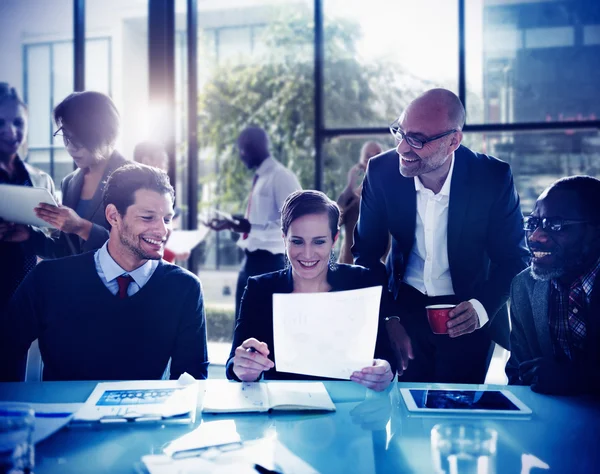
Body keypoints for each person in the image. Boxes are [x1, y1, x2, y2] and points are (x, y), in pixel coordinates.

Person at [353, 88, 529, 384]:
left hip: (468, 310)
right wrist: (388, 317)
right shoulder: (381, 172)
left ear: (453, 141)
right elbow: (366, 255)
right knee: (406, 409)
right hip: (404, 308)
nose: (402, 149)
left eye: (418, 140)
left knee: (459, 415)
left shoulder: (493, 178)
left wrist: (481, 308)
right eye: (400, 132)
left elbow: (514, 259)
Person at [0, 163, 209, 381]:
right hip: (62, 412)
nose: (162, 230)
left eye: (167, 219)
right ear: (113, 216)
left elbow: (192, 381)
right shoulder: (48, 280)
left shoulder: (184, 288)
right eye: (148, 217)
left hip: (143, 414)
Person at [226, 190, 396, 392]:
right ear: (284, 238)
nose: (307, 254)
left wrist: (386, 371)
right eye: (297, 241)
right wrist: (242, 367)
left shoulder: (362, 283)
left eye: (319, 241)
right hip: (284, 412)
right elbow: (233, 363)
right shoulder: (260, 289)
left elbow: (386, 356)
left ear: (334, 239)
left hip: (350, 410)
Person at [1, 91, 128, 258]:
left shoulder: (135, 179)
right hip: (77, 283)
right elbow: (65, 253)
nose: (71, 147)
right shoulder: (70, 182)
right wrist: (30, 236)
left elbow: (136, 248)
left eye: (80, 138)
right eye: (66, 136)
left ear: (107, 133)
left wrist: (82, 227)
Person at [507, 176, 600, 395]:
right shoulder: (524, 287)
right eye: (533, 223)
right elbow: (519, 375)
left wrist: (577, 379)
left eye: (555, 225)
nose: (536, 236)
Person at [206, 126, 301, 318]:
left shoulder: (280, 176)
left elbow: (294, 224)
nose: (241, 156)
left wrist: (249, 227)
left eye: (242, 149)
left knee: (265, 327)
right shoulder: (261, 178)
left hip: (271, 263)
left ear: (254, 146)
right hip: (251, 261)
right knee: (244, 326)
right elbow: (260, 221)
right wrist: (232, 224)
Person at [0, 83, 56, 307]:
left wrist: (31, 236)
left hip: (26, 301)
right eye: (0, 122)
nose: (11, 132)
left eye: (18, 123)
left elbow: (58, 245)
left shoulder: (41, 181)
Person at [133, 140, 189, 263]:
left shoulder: (158, 193)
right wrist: (173, 250)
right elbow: (140, 242)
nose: (166, 167)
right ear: (146, 161)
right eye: (163, 161)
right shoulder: (137, 197)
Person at [337, 141, 383, 264]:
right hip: (351, 262)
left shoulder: (390, 189)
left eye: (378, 155)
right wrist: (350, 189)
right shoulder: (350, 196)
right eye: (368, 156)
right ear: (361, 161)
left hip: (381, 263)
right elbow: (335, 221)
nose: (372, 160)